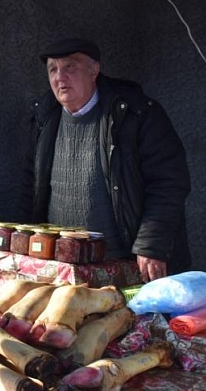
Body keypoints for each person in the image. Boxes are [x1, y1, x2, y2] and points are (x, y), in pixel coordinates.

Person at [26, 38, 191, 282]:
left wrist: (151, 245)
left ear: (94, 70)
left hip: (125, 263)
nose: (59, 77)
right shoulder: (43, 116)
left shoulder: (137, 113)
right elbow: (27, 181)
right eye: (53, 69)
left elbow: (169, 183)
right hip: (62, 263)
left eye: (70, 67)